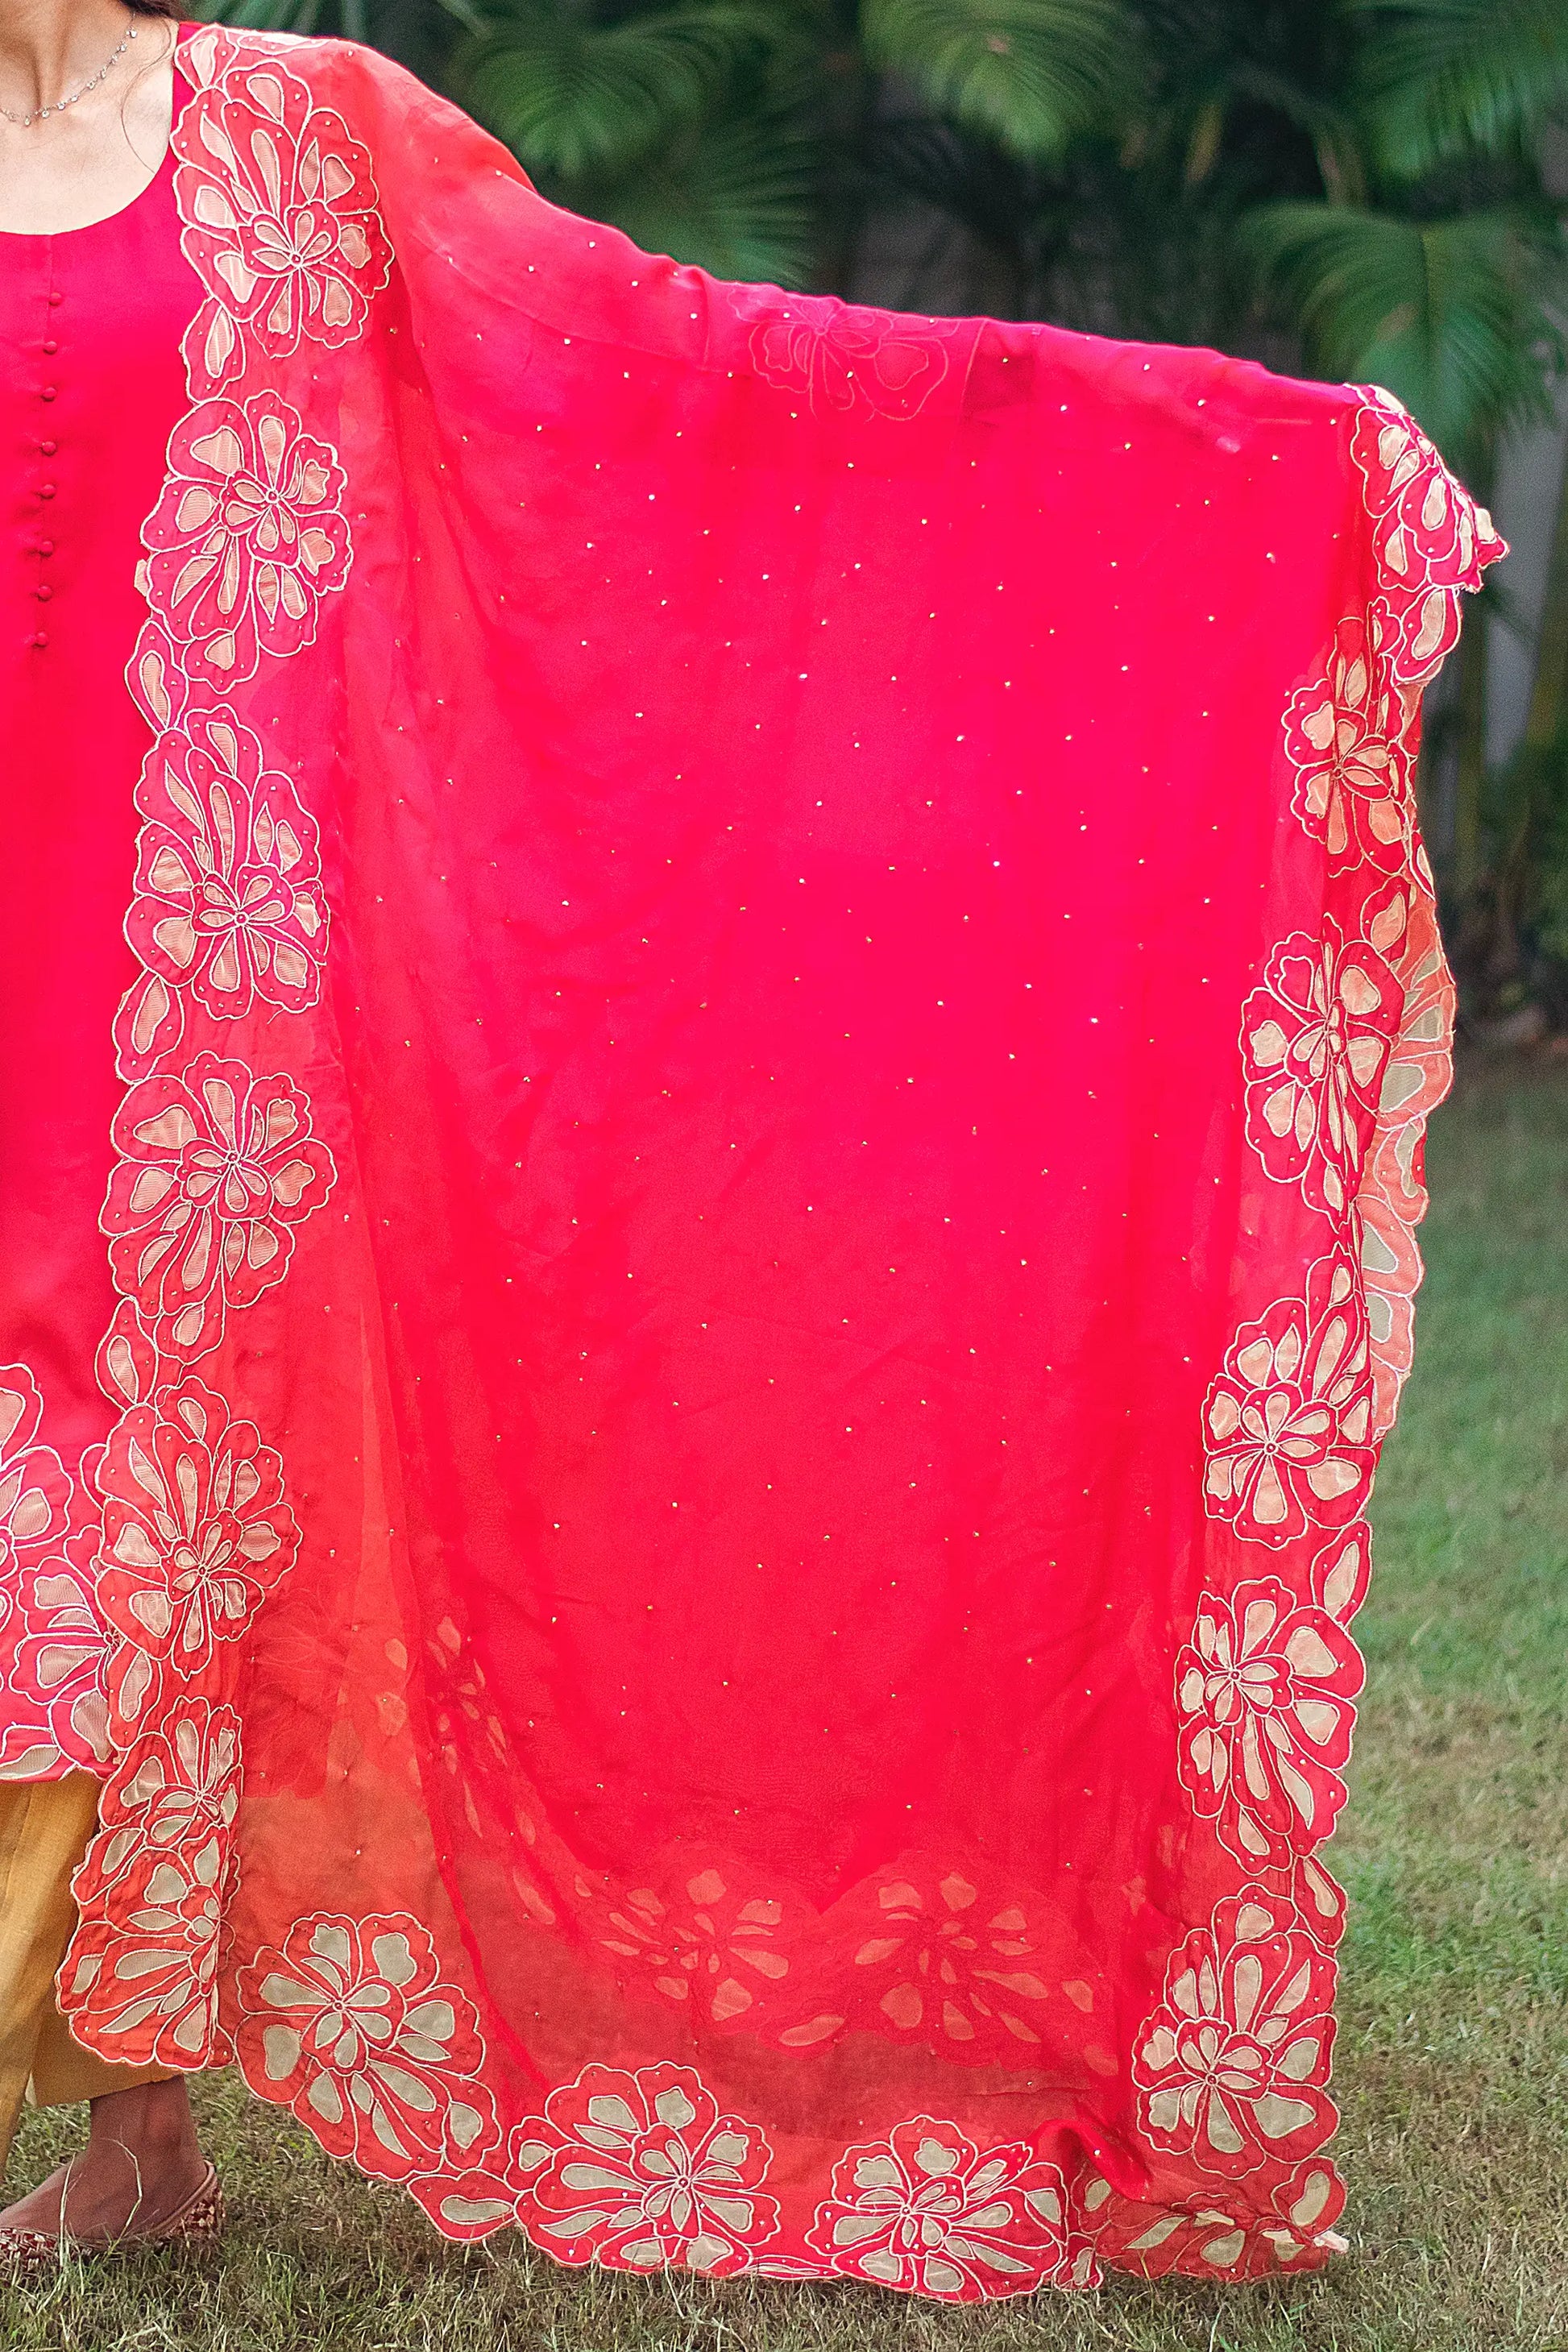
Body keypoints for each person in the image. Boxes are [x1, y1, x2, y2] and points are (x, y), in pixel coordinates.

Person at [0, 0, 1498, 2292]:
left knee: (176, 1518)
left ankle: (126, 2130)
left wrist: (1225, 453)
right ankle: (130, 2128)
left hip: (221, 989)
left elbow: (669, 367)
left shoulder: (300, 131)